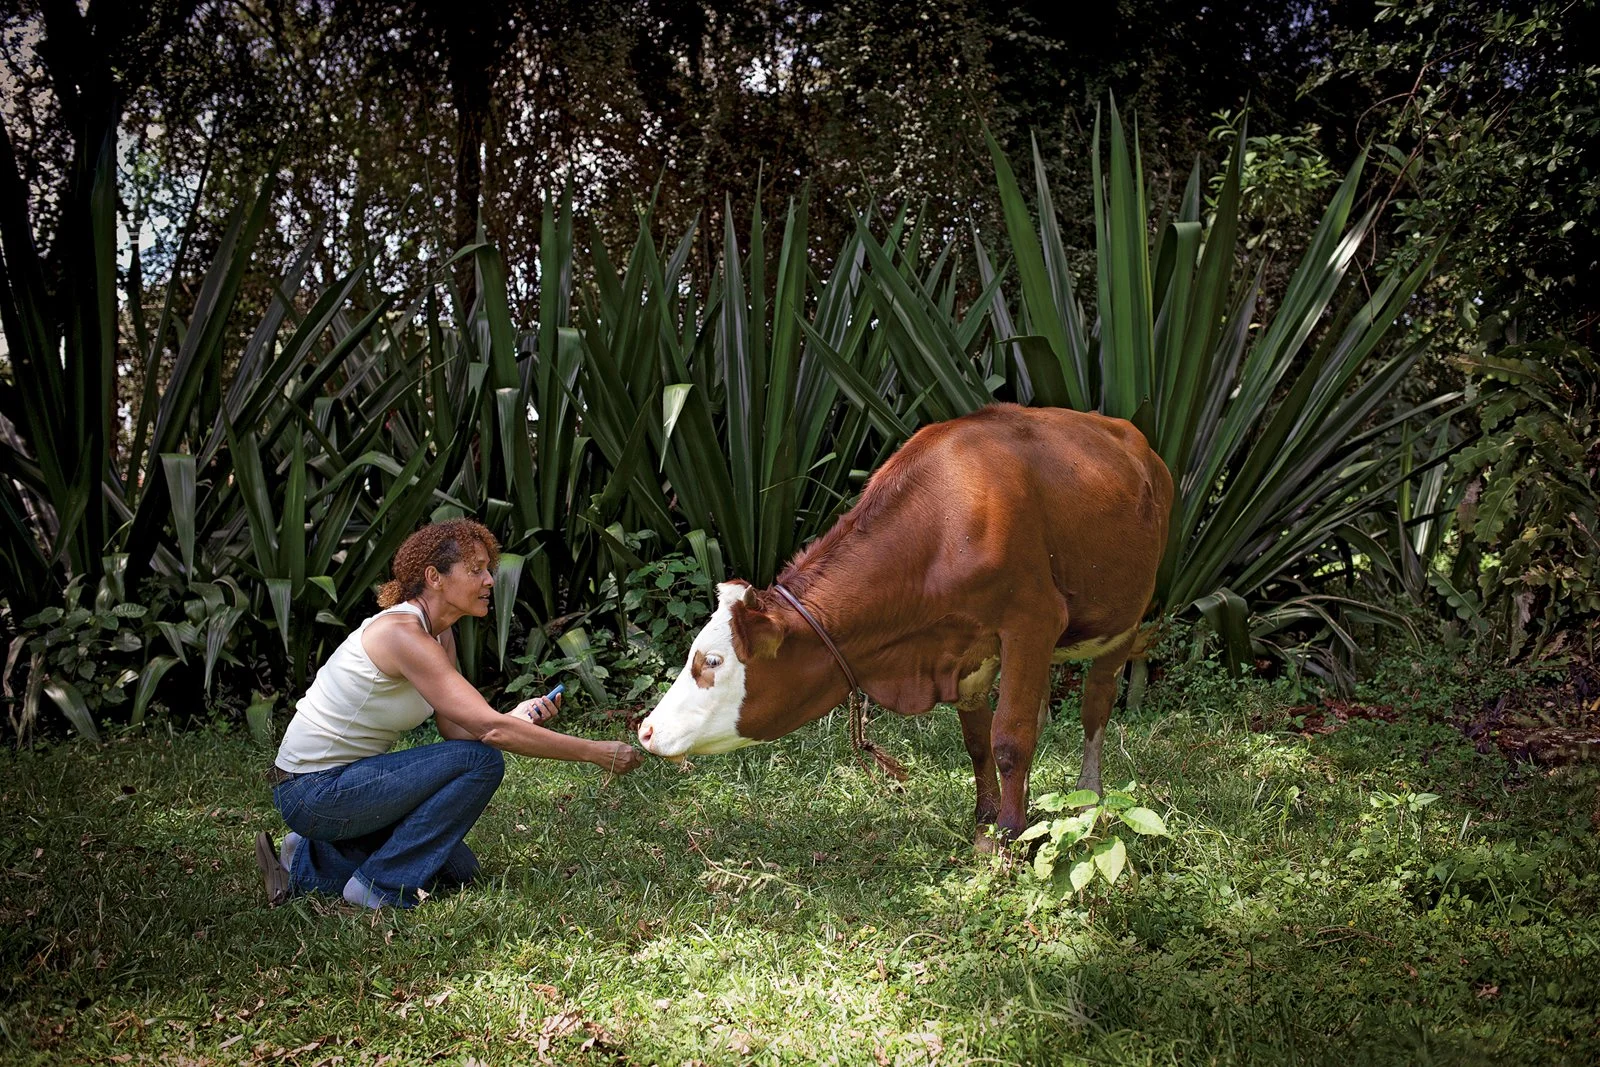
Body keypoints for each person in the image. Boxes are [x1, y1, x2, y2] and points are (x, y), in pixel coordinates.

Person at [255, 518, 644, 909]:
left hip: (345, 786)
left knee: (457, 871)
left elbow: (456, 727)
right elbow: (487, 735)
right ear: (434, 577)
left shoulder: (439, 634)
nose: (490, 580)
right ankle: (375, 888)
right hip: (312, 791)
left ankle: (305, 859)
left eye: (488, 569)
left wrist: (514, 718)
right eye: (476, 570)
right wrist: (596, 753)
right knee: (482, 762)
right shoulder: (402, 634)